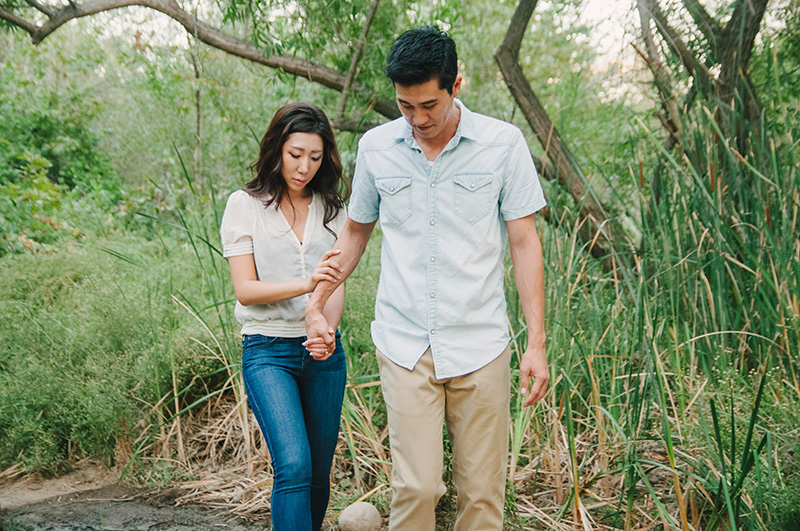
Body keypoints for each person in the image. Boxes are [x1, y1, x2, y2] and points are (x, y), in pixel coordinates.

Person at [304, 26, 550, 530]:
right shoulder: (376, 148)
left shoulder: (502, 145)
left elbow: (525, 243)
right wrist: (317, 302)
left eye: (428, 106)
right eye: (405, 105)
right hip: (405, 341)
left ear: (456, 84)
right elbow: (354, 234)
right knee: (417, 488)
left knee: (481, 496)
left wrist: (537, 343)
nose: (417, 119)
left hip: (481, 343)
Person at [220, 102, 348, 531]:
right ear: (277, 148)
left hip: (323, 355)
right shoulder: (246, 205)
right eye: (296, 155)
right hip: (268, 351)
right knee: (293, 464)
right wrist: (308, 286)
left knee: (317, 473)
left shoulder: (333, 210)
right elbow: (246, 290)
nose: (304, 167)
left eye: (315, 157)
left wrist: (326, 330)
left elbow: (337, 282)